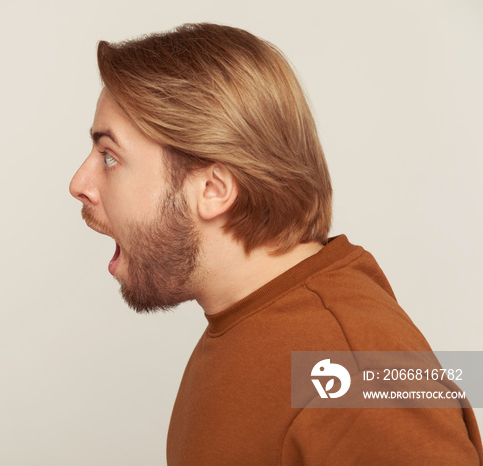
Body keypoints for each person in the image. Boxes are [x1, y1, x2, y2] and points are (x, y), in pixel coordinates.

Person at [69, 23, 482, 464]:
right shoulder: (243, 326)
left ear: (213, 189)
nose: (80, 183)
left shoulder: (356, 374)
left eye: (110, 156)